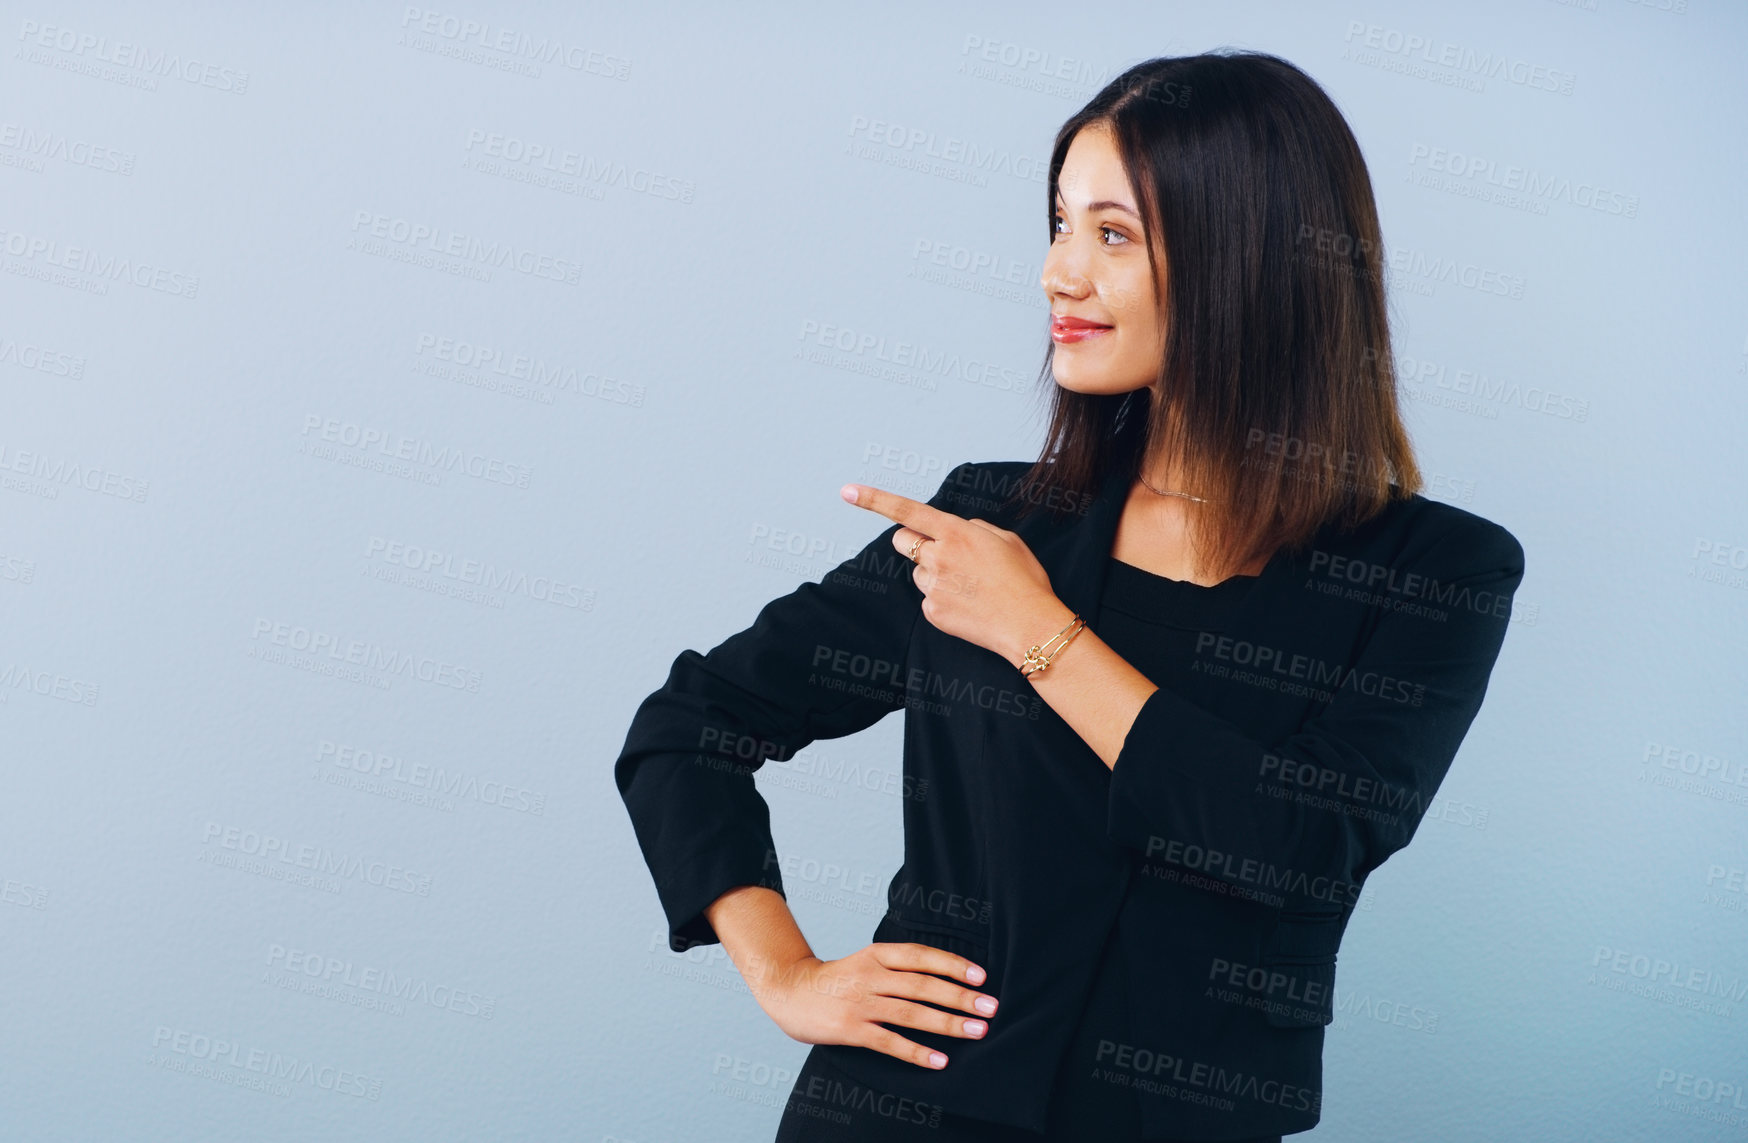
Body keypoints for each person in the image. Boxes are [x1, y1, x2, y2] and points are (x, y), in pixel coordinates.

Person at [614, 50, 1525, 1141]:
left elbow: (1294, 846)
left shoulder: (1433, 571)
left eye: (1111, 235)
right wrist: (787, 977)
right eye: (1056, 225)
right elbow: (689, 727)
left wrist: (1038, 632)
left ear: (1253, 264)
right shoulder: (987, 523)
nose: (1057, 273)